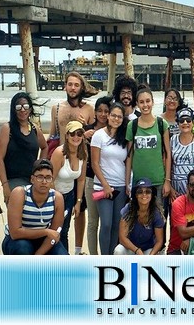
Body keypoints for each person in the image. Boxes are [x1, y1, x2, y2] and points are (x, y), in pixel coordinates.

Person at [49, 71, 96, 255]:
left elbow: (95, 133)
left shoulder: (88, 109)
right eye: (70, 84)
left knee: (80, 208)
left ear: (81, 87)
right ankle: (57, 248)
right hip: (60, 160)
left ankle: (77, 248)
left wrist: (87, 128)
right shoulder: (57, 108)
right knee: (57, 211)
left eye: (76, 85)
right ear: (65, 86)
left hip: (81, 160)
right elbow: (52, 136)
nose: (73, 88)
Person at [2, 159, 66, 255]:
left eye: (48, 178)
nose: (44, 181)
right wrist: (46, 231)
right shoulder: (20, 193)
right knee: (22, 248)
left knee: (62, 257)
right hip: (18, 240)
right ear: (32, 179)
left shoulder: (57, 198)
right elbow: (15, 233)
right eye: (40, 177)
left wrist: (38, 256)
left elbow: (54, 234)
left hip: (44, 239)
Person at [91, 102, 130, 255]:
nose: (116, 119)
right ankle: (104, 257)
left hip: (120, 185)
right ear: (108, 116)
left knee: (116, 225)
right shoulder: (98, 135)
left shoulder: (124, 137)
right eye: (113, 115)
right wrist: (105, 185)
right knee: (106, 224)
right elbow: (95, 163)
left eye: (119, 117)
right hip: (103, 186)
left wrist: (127, 184)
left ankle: (113, 258)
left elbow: (127, 162)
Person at [0, 92, 48, 203]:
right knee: (16, 217)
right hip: (13, 181)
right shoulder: (7, 129)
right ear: (14, 110)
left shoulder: (34, 128)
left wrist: (40, 165)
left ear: (30, 109)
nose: (22, 110)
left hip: (32, 180)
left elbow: (44, 147)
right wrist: (5, 185)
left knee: (31, 217)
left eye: (26, 106)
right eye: (18, 107)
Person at [126, 85, 172, 207]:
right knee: (140, 221)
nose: (145, 105)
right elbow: (129, 155)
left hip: (158, 181)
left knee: (159, 221)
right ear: (137, 104)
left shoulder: (162, 124)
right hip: (138, 182)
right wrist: (127, 183)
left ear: (153, 102)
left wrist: (167, 181)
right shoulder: (132, 125)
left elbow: (168, 154)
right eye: (141, 102)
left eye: (148, 101)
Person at [51, 120, 87, 253]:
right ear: (66, 135)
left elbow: (81, 179)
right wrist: (56, 200)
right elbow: (50, 179)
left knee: (65, 230)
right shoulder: (59, 153)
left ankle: (64, 258)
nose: (76, 137)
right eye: (72, 134)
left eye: (79, 134)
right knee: (55, 229)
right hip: (55, 195)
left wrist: (78, 202)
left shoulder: (83, 153)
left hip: (70, 195)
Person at [82, 95, 112, 254]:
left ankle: (107, 254)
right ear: (95, 112)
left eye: (106, 111)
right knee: (93, 221)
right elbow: (74, 150)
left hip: (110, 181)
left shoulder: (114, 131)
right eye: (99, 110)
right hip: (91, 181)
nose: (103, 114)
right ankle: (93, 256)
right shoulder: (87, 130)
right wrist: (83, 138)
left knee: (107, 222)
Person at [115, 178, 165, 255]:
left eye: (148, 192)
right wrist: (136, 250)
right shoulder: (128, 209)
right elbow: (122, 238)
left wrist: (150, 257)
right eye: (140, 192)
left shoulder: (156, 213)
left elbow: (159, 241)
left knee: (154, 257)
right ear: (136, 195)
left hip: (148, 249)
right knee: (118, 250)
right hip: (130, 248)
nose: (144, 194)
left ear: (152, 195)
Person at [170, 107, 194, 198]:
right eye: (181, 121)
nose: (185, 123)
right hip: (175, 190)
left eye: (188, 120)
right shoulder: (172, 140)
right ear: (178, 123)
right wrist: (170, 188)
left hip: (193, 189)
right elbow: (169, 166)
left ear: (193, 122)